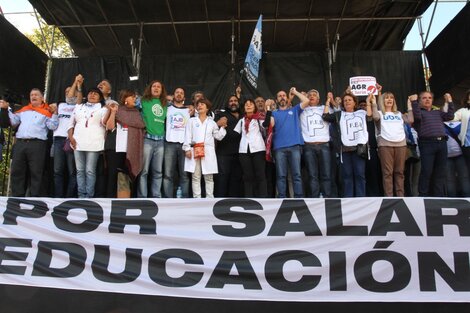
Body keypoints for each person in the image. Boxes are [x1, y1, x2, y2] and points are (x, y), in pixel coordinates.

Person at [0, 89, 58, 197]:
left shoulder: (47, 110)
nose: (33, 96)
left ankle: (35, 198)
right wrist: (6, 109)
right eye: (31, 95)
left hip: (37, 144)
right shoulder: (24, 110)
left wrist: (54, 113)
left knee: (36, 171)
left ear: (42, 98)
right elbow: (13, 122)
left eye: (36, 95)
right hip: (21, 143)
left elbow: (53, 126)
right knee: (17, 170)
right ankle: (17, 197)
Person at [323, 92, 372, 197]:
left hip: (359, 149)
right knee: (347, 176)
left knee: (360, 175)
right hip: (345, 150)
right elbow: (325, 116)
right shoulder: (339, 114)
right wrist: (328, 101)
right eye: (345, 100)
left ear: (355, 103)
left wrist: (368, 102)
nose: (347, 102)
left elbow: (370, 116)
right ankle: (349, 199)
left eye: (350, 100)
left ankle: (360, 199)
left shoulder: (361, 113)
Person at [371, 85, 413, 197]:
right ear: (382, 101)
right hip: (385, 144)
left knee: (399, 172)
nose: (389, 99)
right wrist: (374, 103)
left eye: (391, 98)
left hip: (401, 145)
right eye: (387, 98)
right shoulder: (380, 113)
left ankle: (400, 196)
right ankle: (389, 197)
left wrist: (410, 107)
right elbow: (374, 117)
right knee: (387, 173)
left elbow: (410, 120)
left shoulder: (399, 113)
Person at [410, 91, 455, 196]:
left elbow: (450, 116)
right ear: (420, 100)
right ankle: (423, 196)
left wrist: (450, 101)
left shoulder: (437, 112)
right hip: (427, 143)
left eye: (429, 98)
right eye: (424, 98)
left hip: (442, 143)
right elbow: (416, 117)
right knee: (426, 171)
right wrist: (414, 102)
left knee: (440, 172)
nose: (427, 100)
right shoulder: (419, 112)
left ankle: (438, 196)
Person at [268, 87, 309, 198]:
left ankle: (299, 198)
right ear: (276, 100)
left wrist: (295, 92)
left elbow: (306, 101)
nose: (282, 97)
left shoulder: (295, 110)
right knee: (281, 175)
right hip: (279, 148)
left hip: (294, 146)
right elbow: (270, 125)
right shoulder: (274, 113)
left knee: (296, 175)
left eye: (284, 95)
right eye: (279, 96)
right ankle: (281, 197)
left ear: (287, 98)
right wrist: (269, 109)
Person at [104, 89, 146, 197]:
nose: (135, 99)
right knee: (113, 176)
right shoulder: (117, 110)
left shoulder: (137, 113)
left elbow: (141, 129)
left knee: (130, 176)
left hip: (131, 150)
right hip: (116, 149)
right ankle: (110, 201)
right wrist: (113, 112)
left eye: (135, 97)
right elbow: (109, 127)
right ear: (125, 98)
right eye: (132, 96)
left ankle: (129, 202)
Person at [68, 87, 108, 198]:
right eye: (90, 92)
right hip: (77, 142)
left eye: (96, 94)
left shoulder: (103, 109)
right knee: (80, 170)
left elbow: (105, 125)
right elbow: (70, 124)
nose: (92, 95)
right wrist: (71, 137)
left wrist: (109, 110)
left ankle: (89, 196)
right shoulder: (78, 107)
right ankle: (81, 195)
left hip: (94, 142)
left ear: (100, 97)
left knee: (90, 171)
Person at [183, 98, 226, 198]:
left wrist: (223, 127)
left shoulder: (212, 122)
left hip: (208, 151)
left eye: (202, 104)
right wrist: (187, 148)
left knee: (209, 177)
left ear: (207, 108)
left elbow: (218, 136)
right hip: (195, 150)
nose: (200, 106)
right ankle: (196, 198)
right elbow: (187, 135)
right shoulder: (192, 121)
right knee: (196, 176)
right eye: (198, 105)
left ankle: (210, 198)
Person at [52, 74, 83, 197]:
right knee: (57, 171)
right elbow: (69, 97)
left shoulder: (79, 106)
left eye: (71, 91)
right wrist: (74, 85)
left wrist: (76, 84)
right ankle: (58, 198)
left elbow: (74, 98)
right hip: (58, 139)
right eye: (66, 92)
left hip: (72, 140)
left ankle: (69, 197)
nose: (68, 93)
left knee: (72, 172)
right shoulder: (59, 105)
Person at [138, 80, 168, 198]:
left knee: (158, 172)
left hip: (160, 141)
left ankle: (156, 197)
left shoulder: (166, 104)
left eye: (158, 87)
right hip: (147, 139)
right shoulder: (143, 101)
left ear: (162, 90)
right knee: (144, 171)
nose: (156, 88)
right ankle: (142, 198)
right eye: (154, 86)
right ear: (150, 89)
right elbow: (129, 104)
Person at [300, 89, 332, 197]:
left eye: (314, 95)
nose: (312, 96)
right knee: (312, 175)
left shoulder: (325, 108)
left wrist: (330, 100)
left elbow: (338, 111)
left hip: (324, 145)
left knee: (326, 174)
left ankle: (327, 198)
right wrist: (301, 97)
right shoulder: (302, 110)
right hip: (309, 145)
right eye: (310, 95)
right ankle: (315, 198)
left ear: (318, 99)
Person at [234, 99, 268, 197]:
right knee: (248, 176)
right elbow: (234, 134)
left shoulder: (258, 119)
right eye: (246, 104)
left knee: (260, 175)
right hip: (244, 151)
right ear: (244, 108)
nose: (248, 106)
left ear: (254, 107)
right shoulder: (241, 120)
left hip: (258, 149)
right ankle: (249, 198)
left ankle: (263, 198)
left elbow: (266, 125)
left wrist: (268, 110)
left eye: (251, 104)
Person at [163, 87, 191, 198]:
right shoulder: (167, 109)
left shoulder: (189, 110)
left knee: (184, 175)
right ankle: (167, 200)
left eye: (181, 93)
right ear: (173, 95)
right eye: (177, 92)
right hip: (169, 144)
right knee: (168, 174)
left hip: (184, 145)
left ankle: (185, 199)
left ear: (184, 97)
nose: (179, 94)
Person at [214, 94, 242, 197]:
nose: (233, 102)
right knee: (222, 178)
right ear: (227, 104)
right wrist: (218, 123)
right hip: (224, 153)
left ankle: (234, 202)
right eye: (231, 101)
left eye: (235, 100)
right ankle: (220, 203)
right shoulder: (221, 115)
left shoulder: (243, 115)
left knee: (236, 178)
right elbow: (212, 128)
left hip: (240, 153)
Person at [452, 90, 470, 178]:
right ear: (468, 100)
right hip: (468, 144)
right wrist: (448, 104)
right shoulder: (463, 111)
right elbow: (451, 118)